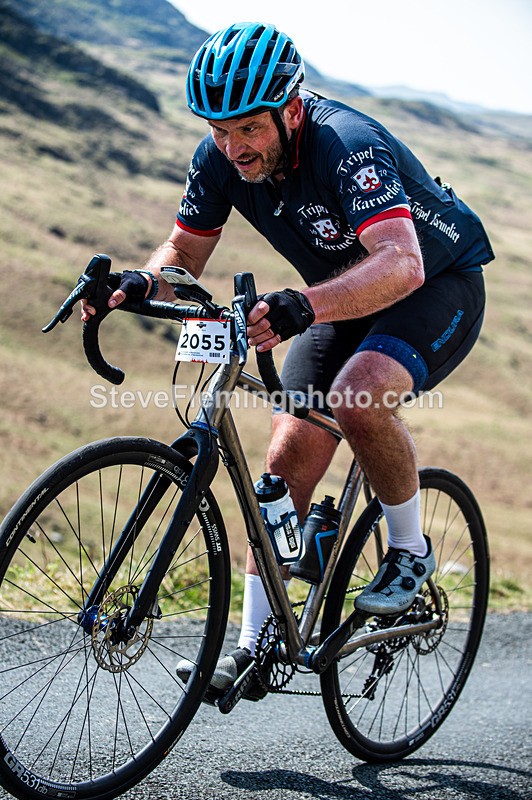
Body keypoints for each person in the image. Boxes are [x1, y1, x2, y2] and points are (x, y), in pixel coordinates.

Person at [81, 22, 494, 697]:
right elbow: (182, 256)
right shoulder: (219, 157)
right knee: (285, 457)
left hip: (434, 283)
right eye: (218, 129)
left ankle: (410, 553)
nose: (233, 147)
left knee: (359, 398)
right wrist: (134, 283)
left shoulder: (345, 148)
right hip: (341, 299)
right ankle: (252, 647)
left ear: (291, 110)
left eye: (248, 129)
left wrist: (303, 304)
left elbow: (400, 261)